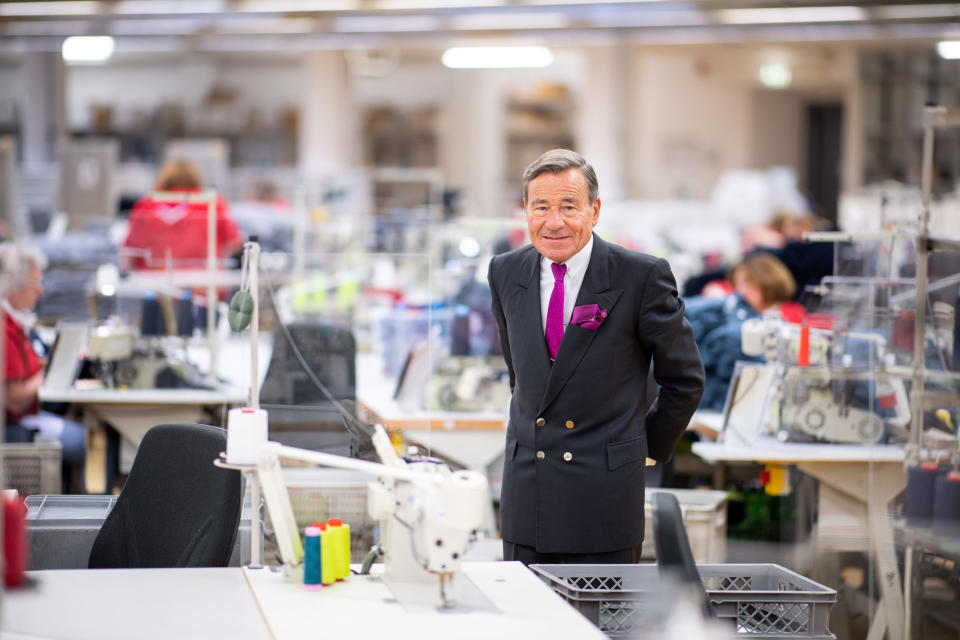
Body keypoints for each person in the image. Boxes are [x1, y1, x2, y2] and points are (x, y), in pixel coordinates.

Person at [487, 149, 705, 564]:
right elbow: (521, 373)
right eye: (541, 207)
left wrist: (645, 447)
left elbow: (685, 378)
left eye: (569, 206)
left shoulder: (640, 275)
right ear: (526, 211)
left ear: (595, 210)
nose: (554, 222)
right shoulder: (504, 271)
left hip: (603, 494)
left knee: (599, 624)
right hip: (526, 495)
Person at [1, 243, 85, 486]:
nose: (40, 292)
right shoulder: (4, 329)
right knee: (88, 443)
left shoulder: (16, 323)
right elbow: (15, 400)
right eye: (34, 285)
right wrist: (47, 372)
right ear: (12, 289)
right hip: (16, 425)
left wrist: (42, 365)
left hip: (25, 417)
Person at [685, 253, 798, 414]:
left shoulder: (750, 321)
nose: (741, 291)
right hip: (721, 403)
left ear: (760, 284)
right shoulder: (738, 325)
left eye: (745, 284)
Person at [122, 158, 243, 272]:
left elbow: (129, 252)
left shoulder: (145, 205)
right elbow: (235, 244)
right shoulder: (211, 203)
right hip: (204, 284)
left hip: (152, 284)